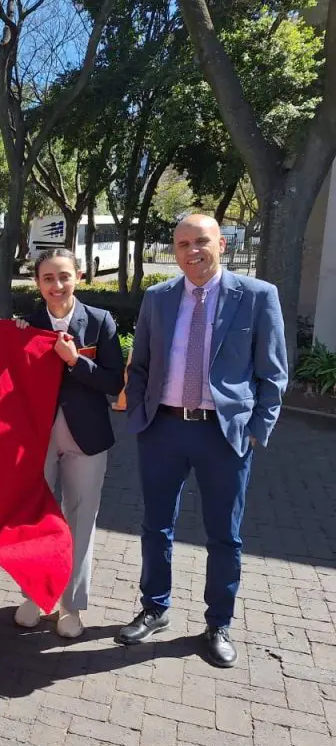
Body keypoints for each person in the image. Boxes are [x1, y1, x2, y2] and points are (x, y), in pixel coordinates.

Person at [118, 214, 288, 668]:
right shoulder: (157, 298)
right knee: (156, 525)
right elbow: (141, 365)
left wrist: (257, 431)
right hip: (163, 429)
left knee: (225, 536)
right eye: (182, 244)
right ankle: (154, 607)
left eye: (201, 242)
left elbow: (273, 373)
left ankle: (219, 623)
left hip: (224, 434)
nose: (192, 251)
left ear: (222, 245)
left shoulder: (257, 296)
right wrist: (139, 414)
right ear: (174, 251)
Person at [12, 249, 125, 638]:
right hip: (37, 437)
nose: (56, 286)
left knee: (80, 520)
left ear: (77, 275)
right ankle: (34, 594)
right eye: (47, 279)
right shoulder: (25, 325)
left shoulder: (99, 321)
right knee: (35, 519)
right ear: (37, 283)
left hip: (87, 437)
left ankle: (71, 605)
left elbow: (114, 382)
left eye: (63, 276)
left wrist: (77, 362)